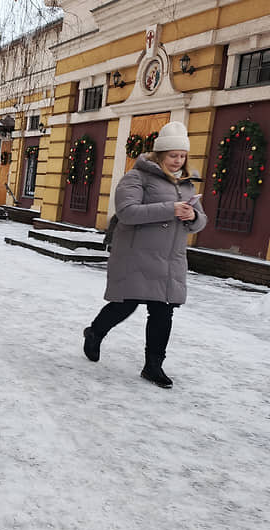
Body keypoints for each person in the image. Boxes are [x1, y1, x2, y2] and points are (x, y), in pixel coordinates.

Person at [82, 121, 207, 388]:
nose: (178, 161)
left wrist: (193, 215)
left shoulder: (186, 184)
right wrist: (170, 209)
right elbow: (127, 212)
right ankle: (94, 333)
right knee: (125, 305)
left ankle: (153, 366)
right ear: (160, 154)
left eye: (182, 155)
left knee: (163, 313)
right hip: (136, 256)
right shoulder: (136, 177)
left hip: (170, 260)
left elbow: (200, 221)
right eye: (173, 155)